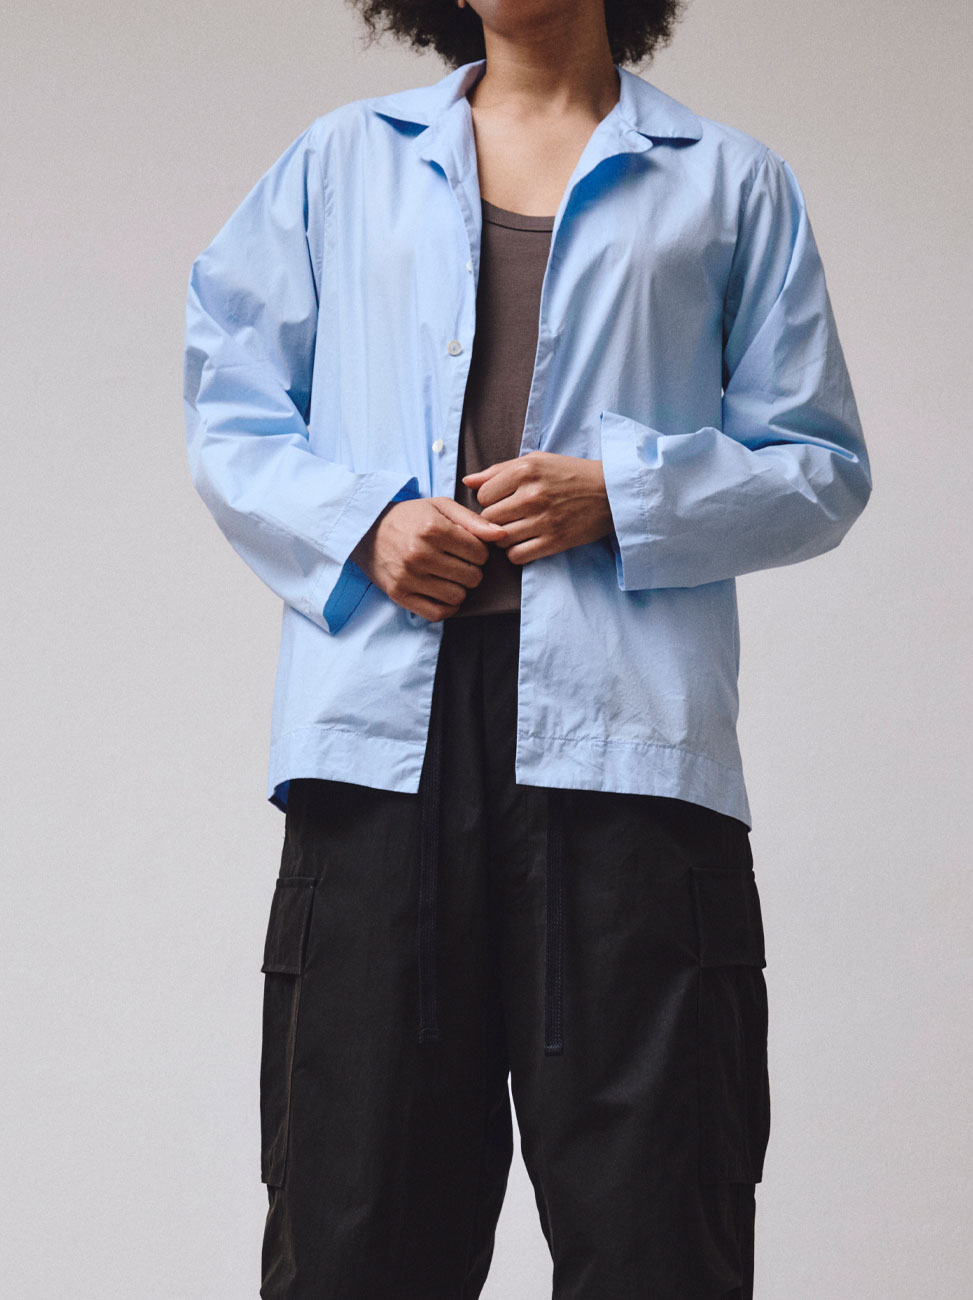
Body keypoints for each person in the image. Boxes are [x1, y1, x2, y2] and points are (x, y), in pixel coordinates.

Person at [183, 1, 873, 1296]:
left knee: (658, 1231)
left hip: (633, 757)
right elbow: (230, 406)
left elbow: (819, 466)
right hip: (379, 756)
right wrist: (362, 526)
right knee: (355, 1226)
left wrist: (627, 495)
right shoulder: (342, 162)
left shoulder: (730, 182)